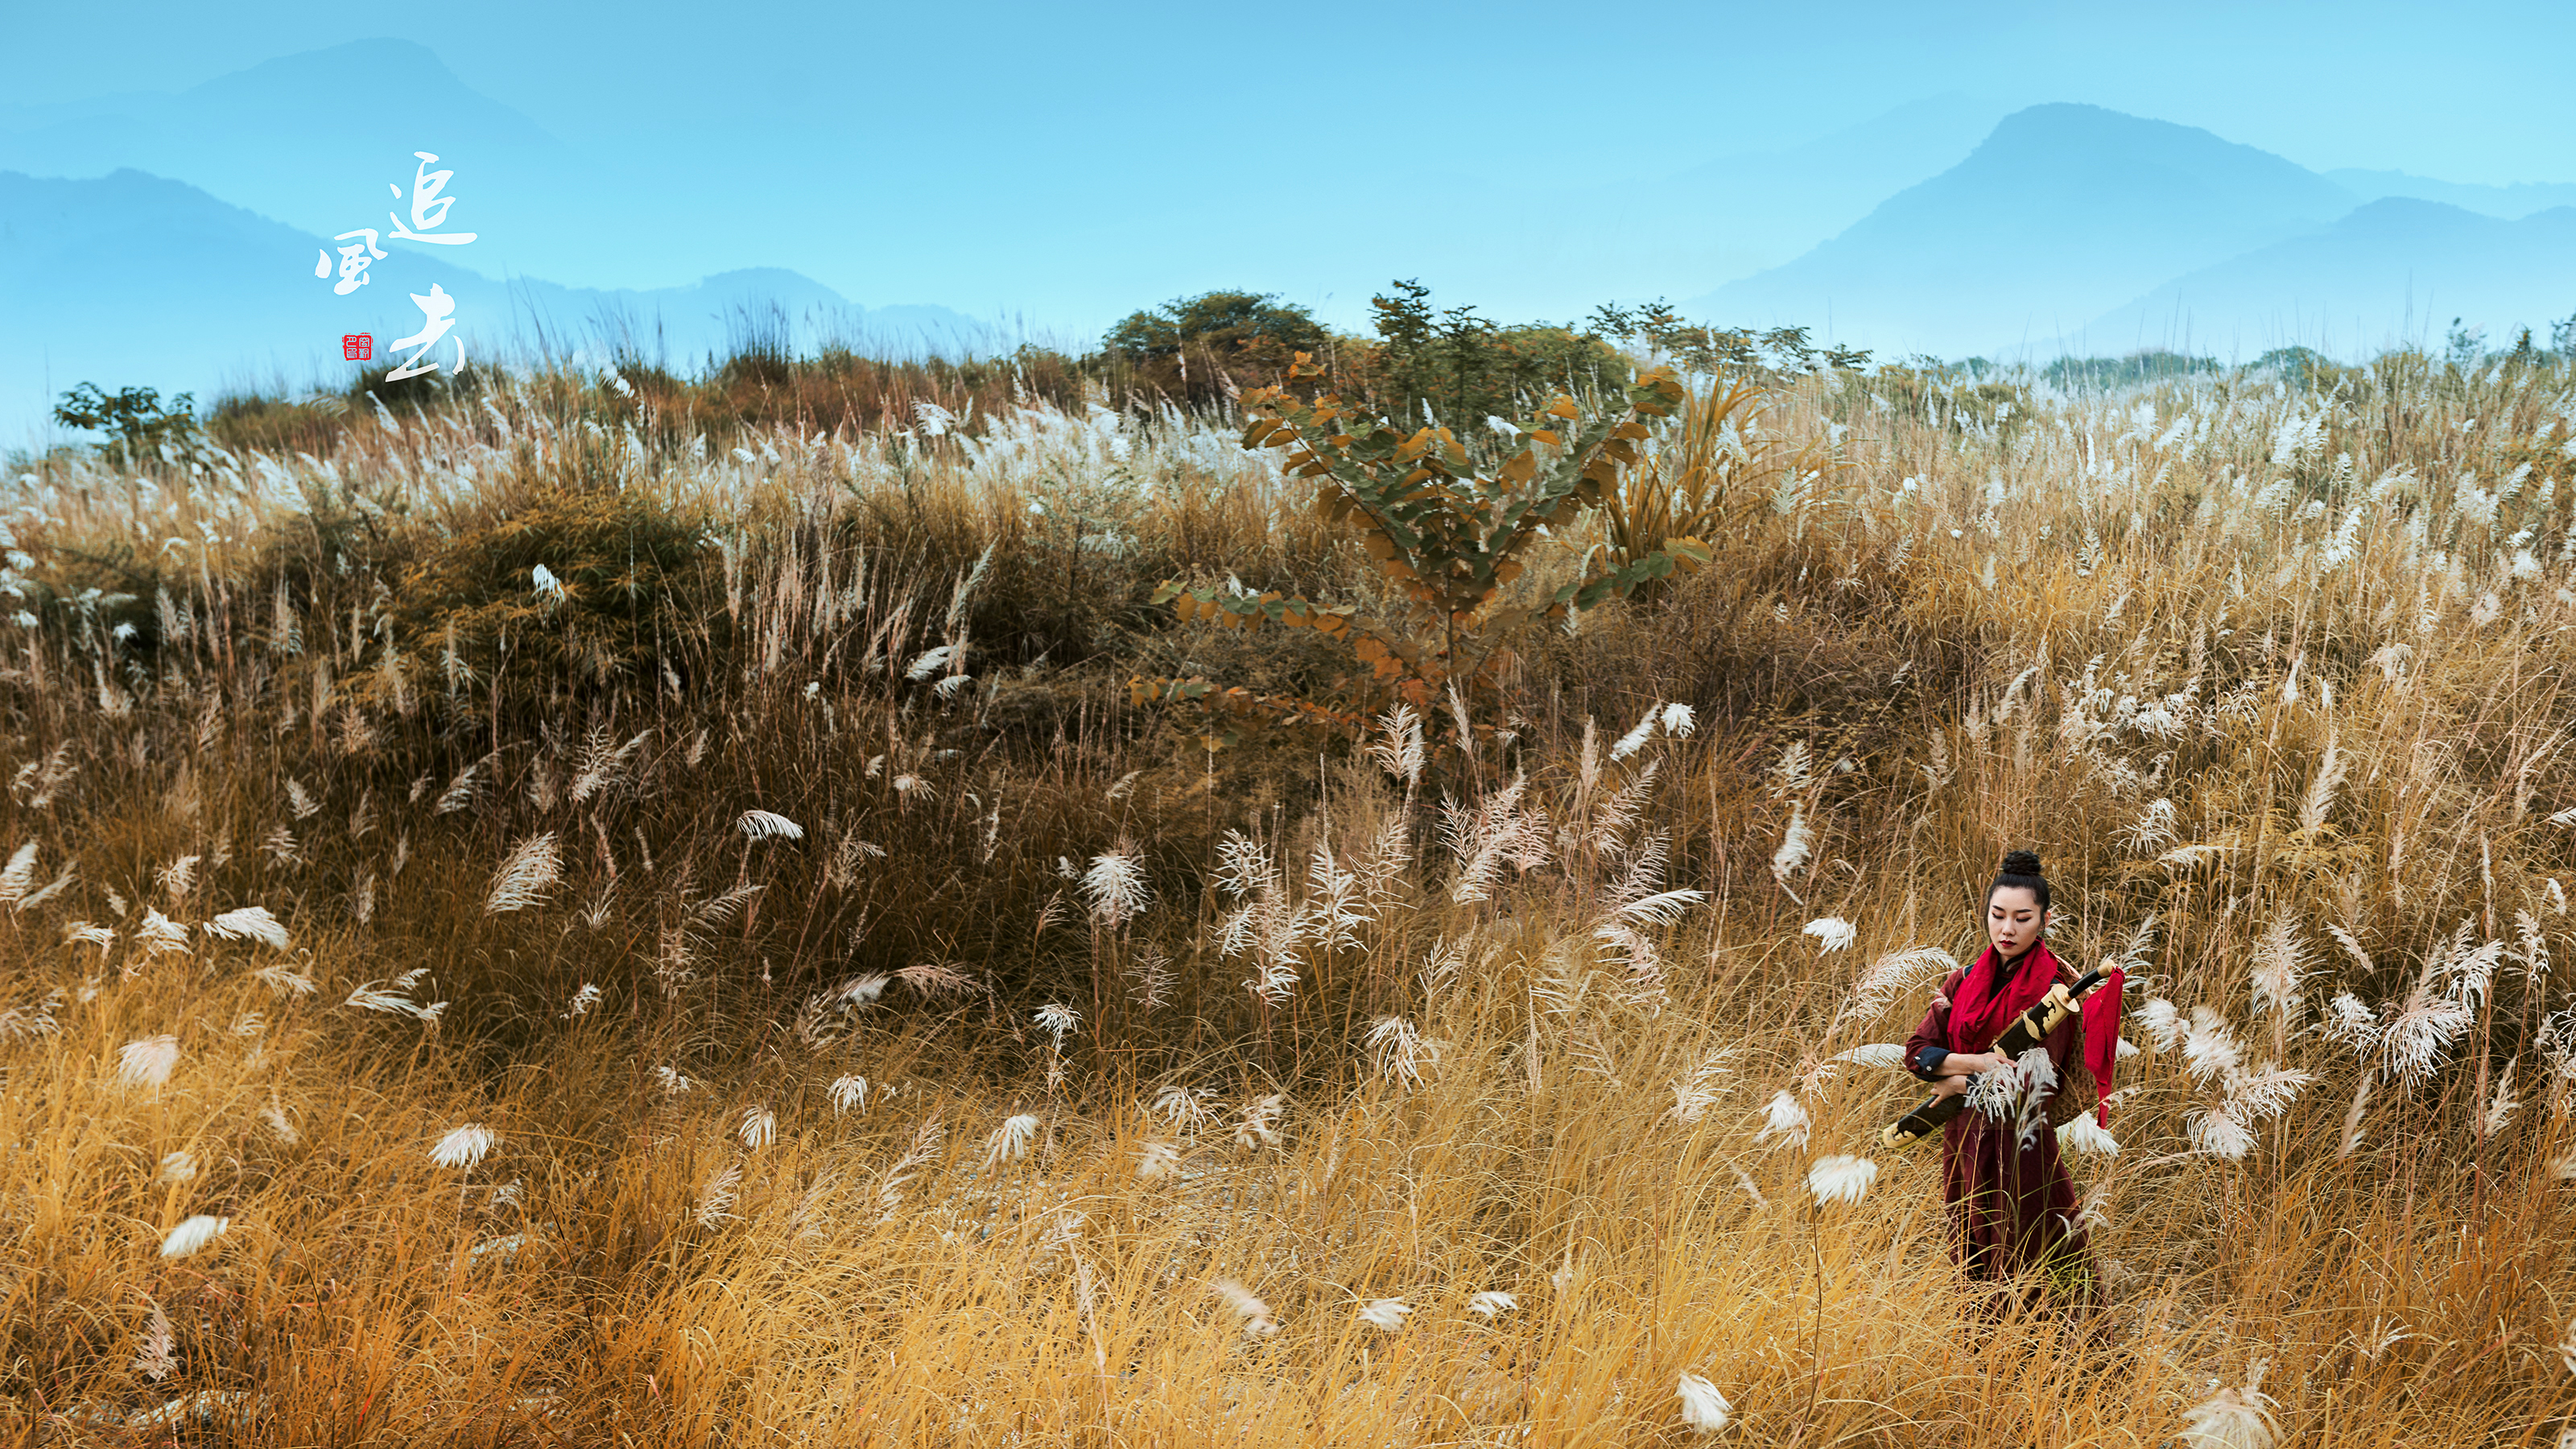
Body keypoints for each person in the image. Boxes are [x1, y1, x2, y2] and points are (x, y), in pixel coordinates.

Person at [1901, 848, 2124, 1311]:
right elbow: (1917, 1054)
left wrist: (1952, 1079)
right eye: (1998, 915)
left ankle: (2066, 1373)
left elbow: (2032, 1082)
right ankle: (1989, 1372)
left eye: (2022, 918)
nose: (2007, 929)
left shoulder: (2058, 991)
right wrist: (1976, 1065)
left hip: (2022, 1145)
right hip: (1963, 1142)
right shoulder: (1961, 982)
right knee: (1974, 1260)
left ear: (2042, 921)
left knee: (2043, 1260)